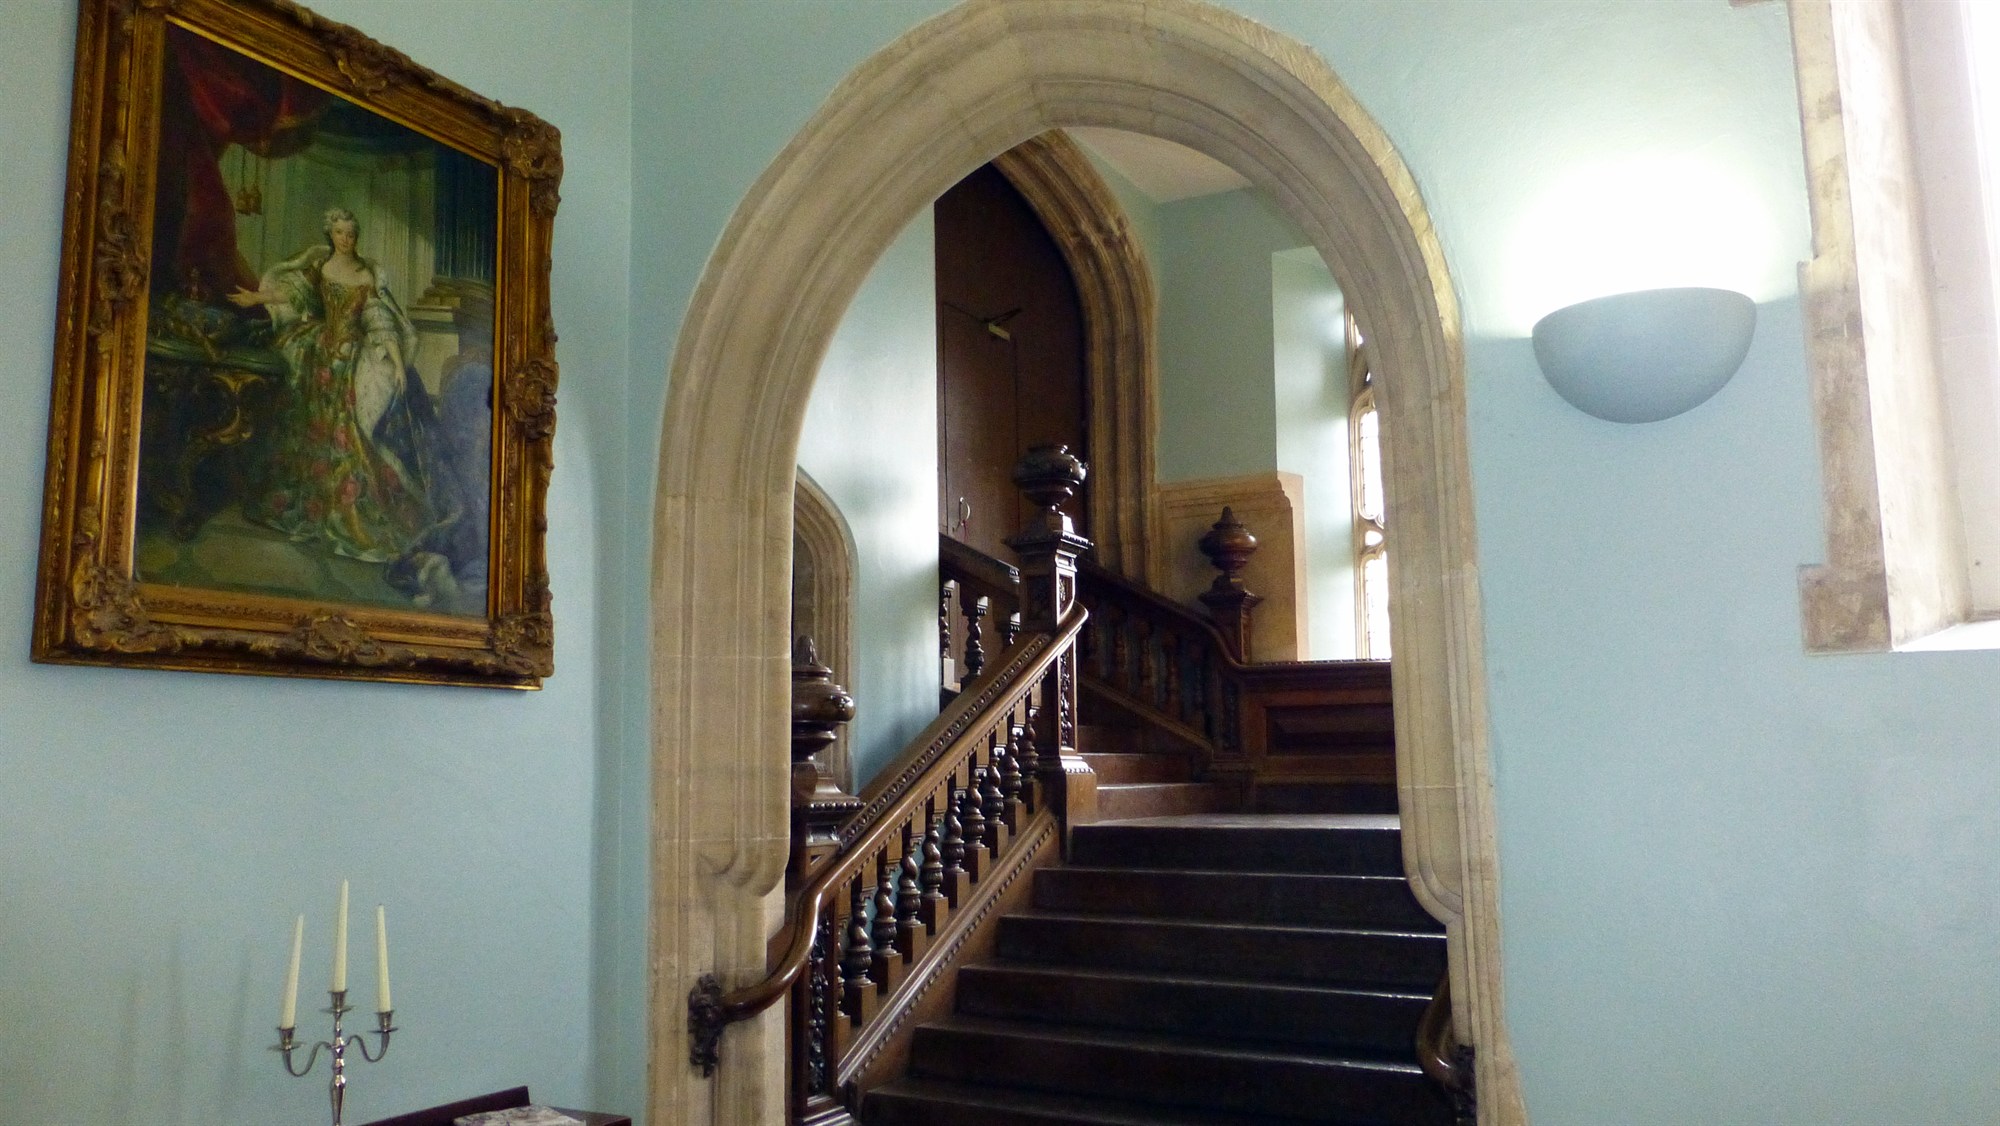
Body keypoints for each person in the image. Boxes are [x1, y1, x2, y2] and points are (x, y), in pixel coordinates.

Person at [229, 207, 450, 578]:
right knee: (308, 430)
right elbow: (293, 294)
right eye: (341, 233)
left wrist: (396, 363)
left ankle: (347, 508)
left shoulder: (366, 275)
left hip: (348, 361)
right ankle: (309, 505)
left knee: (346, 436)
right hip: (319, 360)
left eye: (351, 233)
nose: (347, 239)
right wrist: (257, 298)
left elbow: (379, 322)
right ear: (330, 235)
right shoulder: (319, 270)